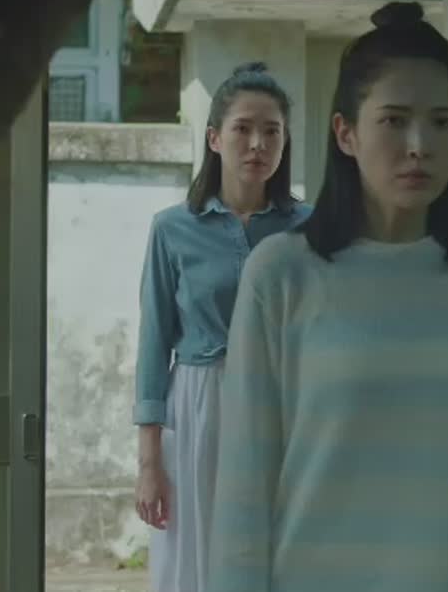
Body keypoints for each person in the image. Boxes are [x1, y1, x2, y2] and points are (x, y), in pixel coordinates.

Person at [209, 2, 448, 592]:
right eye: (394, 120)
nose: (420, 145)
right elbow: (244, 489)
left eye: (442, 122)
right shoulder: (282, 273)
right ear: (346, 132)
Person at [133, 61, 312, 592]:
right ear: (214, 138)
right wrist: (149, 463)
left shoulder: (309, 229)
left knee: (279, 548)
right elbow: (153, 346)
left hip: (284, 401)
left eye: (272, 131)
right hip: (199, 403)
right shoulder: (172, 229)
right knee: (197, 551)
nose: (258, 144)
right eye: (243, 129)